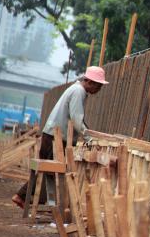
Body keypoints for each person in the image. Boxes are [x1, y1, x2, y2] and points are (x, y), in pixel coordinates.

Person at [11, 66, 109, 208]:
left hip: (51, 134)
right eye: (98, 86)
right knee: (51, 169)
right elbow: (77, 119)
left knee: (46, 170)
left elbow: (77, 119)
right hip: (56, 138)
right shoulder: (78, 92)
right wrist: (89, 138)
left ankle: (29, 198)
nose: (98, 90)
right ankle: (24, 196)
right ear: (90, 82)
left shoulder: (75, 89)